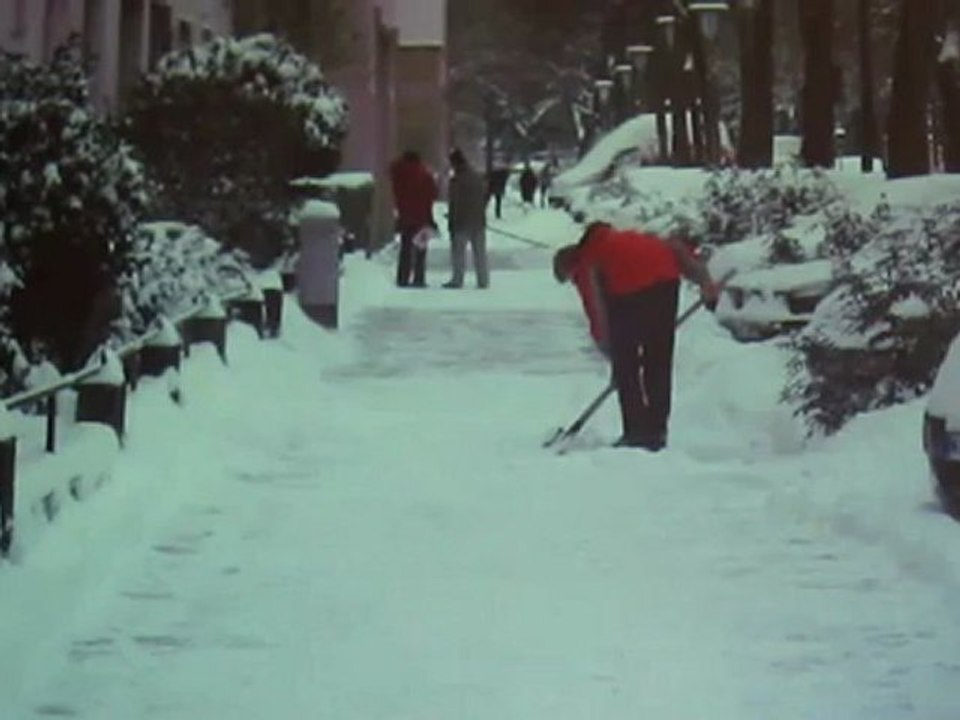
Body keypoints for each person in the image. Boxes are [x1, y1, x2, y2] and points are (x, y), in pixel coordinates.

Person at [552, 222, 719, 451]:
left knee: (628, 366)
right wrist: (705, 283)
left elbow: (596, 309)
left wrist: (616, 360)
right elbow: (675, 249)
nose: (574, 282)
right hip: (666, 285)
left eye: (571, 279)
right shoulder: (627, 238)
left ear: (571, 266)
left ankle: (637, 433)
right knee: (658, 360)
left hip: (632, 293)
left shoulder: (588, 261)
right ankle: (657, 431)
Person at [390, 150, 437, 288]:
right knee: (420, 249)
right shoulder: (424, 174)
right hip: (422, 216)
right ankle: (419, 277)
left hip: (405, 216)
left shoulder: (399, 173)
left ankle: (403, 278)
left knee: (405, 248)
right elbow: (433, 193)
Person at [444, 149, 490, 289]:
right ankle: (483, 280)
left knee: (458, 253)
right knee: (480, 253)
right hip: (478, 221)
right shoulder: (477, 177)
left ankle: (457, 279)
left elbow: (454, 202)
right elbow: (485, 196)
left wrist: (451, 220)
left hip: (461, 222)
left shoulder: (456, 180)